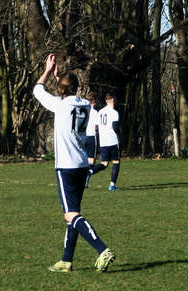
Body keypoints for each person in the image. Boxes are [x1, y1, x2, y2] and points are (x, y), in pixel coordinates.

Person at [32, 54, 114, 272]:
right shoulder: (86, 105)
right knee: (74, 213)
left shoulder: (59, 105)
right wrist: (61, 79)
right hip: (81, 164)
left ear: (61, 90)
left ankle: (102, 249)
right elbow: (70, 97)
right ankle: (66, 261)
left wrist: (49, 71)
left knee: (71, 215)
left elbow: (37, 90)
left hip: (66, 166)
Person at [87, 93, 121, 191]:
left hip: (103, 142)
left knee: (104, 163)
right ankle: (112, 185)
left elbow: (96, 128)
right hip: (113, 141)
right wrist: (119, 135)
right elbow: (115, 127)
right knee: (116, 162)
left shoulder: (100, 112)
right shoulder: (114, 113)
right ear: (112, 100)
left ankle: (90, 171)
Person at [83, 92, 99, 188]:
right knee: (91, 160)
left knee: (84, 159)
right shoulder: (95, 112)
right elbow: (96, 126)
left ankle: (82, 180)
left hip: (83, 136)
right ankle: (85, 181)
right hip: (92, 136)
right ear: (93, 101)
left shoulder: (83, 110)